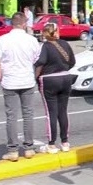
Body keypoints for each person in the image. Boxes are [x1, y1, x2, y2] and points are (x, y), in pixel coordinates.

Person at [0, 12, 42, 161]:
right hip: (27, 81)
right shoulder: (32, 40)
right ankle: (29, 148)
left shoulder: (3, 40)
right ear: (24, 24)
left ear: (11, 24)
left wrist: (1, 77)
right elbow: (37, 60)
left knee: (11, 116)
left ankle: (13, 150)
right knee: (28, 114)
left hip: (10, 81)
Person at [35, 21, 77, 153]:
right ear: (57, 31)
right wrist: (62, 69)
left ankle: (51, 144)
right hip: (65, 78)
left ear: (45, 33)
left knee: (51, 113)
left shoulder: (45, 46)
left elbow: (40, 63)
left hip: (49, 80)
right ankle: (65, 142)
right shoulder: (65, 44)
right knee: (63, 111)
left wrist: (36, 77)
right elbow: (72, 62)